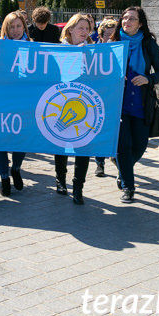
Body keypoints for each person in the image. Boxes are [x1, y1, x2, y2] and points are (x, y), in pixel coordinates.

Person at [113, 7, 159, 204]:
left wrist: (148, 78)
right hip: (117, 103)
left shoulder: (148, 44)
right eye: (125, 17)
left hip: (141, 102)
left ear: (140, 24)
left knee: (140, 145)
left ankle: (122, 168)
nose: (127, 21)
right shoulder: (112, 42)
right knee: (124, 146)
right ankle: (128, 186)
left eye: (132, 19)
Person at [54, 14, 94, 204]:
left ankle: (79, 186)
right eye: (81, 28)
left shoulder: (93, 50)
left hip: (85, 104)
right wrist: (77, 54)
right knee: (61, 143)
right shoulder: (60, 49)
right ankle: (60, 179)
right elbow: (60, 73)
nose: (84, 32)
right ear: (70, 29)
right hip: (63, 102)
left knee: (83, 144)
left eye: (87, 29)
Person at [0, 11, 29, 196]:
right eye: (11, 27)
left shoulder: (34, 48)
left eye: (18, 26)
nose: (15, 31)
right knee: (0, 142)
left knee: (21, 140)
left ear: (24, 27)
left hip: (24, 101)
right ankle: (4, 178)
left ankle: (15, 168)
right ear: (5, 29)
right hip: (2, 101)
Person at [93, 17, 120, 177]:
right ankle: (99, 163)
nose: (111, 39)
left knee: (114, 131)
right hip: (97, 97)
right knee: (98, 131)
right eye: (108, 35)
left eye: (114, 35)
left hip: (114, 98)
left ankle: (116, 158)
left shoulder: (120, 52)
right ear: (101, 36)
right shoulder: (94, 51)